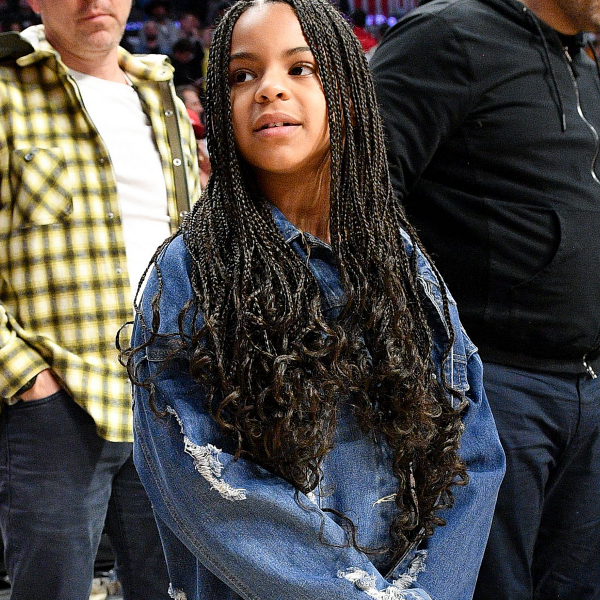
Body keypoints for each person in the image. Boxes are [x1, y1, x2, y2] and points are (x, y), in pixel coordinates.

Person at [123, 0, 505, 598]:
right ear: (219, 109)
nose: (269, 88)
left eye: (300, 68)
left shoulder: (402, 262)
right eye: (241, 75)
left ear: (347, 96)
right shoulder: (190, 272)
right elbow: (204, 484)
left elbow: (470, 451)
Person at [370, 1, 600, 599]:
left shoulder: (581, 61)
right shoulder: (450, 36)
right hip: (487, 387)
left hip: (585, 385)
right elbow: (359, 193)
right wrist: (414, 359)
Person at [0, 0, 201, 598]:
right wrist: (26, 378)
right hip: (57, 403)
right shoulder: (6, 90)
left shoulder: (160, 92)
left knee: (173, 589)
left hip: (168, 395)